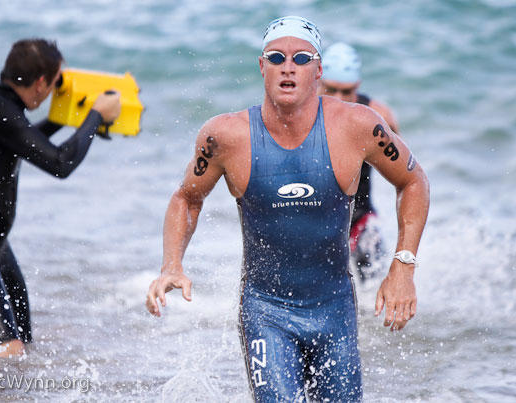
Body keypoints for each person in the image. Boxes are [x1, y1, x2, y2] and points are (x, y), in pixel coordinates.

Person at [146, 16, 429, 402]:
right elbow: (186, 198)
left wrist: (403, 266)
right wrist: (171, 265)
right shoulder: (227, 136)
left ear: (319, 70)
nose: (288, 67)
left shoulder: (358, 125)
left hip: (334, 310)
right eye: (277, 57)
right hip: (266, 313)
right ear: (262, 66)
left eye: (302, 58)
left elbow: (413, 181)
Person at [0, 39, 121, 357]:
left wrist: (63, 119)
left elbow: (22, 139)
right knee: (6, 350)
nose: (53, 90)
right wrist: (95, 116)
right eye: (55, 82)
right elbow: (60, 163)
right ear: (40, 83)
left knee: (23, 342)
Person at [319, 42, 400, 282]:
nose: (338, 99)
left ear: (358, 85)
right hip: (316, 222)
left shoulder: (378, 116)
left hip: (361, 219)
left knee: (375, 287)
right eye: (331, 89)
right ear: (318, 82)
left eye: (347, 92)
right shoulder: (301, 114)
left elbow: (406, 177)